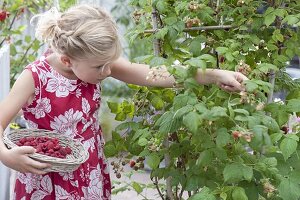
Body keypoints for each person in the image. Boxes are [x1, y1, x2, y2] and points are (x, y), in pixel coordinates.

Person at [0, 4, 248, 200]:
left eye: (111, 63)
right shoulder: (33, 78)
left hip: (88, 171)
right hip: (45, 179)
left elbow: (154, 74)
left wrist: (213, 75)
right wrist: (6, 157)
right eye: (101, 67)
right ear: (67, 61)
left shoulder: (91, 63)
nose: (108, 72)